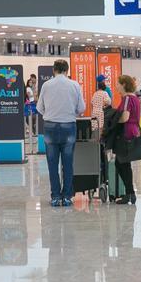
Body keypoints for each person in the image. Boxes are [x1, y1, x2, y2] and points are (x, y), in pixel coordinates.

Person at [36, 59, 85, 207]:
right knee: (68, 163)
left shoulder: (46, 85)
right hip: (69, 126)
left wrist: (50, 114)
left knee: (52, 164)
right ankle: (67, 196)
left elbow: (39, 107)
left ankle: (55, 197)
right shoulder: (75, 85)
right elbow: (81, 108)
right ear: (67, 70)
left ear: (54, 70)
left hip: (50, 127)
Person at [111, 75, 141, 204]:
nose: (116, 86)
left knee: (122, 163)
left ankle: (130, 193)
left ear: (123, 84)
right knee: (123, 163)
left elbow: (125, 117)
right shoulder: (134, 98)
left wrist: (114, 122)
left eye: (117, 83)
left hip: (126, 132)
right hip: (133, 130)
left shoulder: (127, 98)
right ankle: (129, 193)